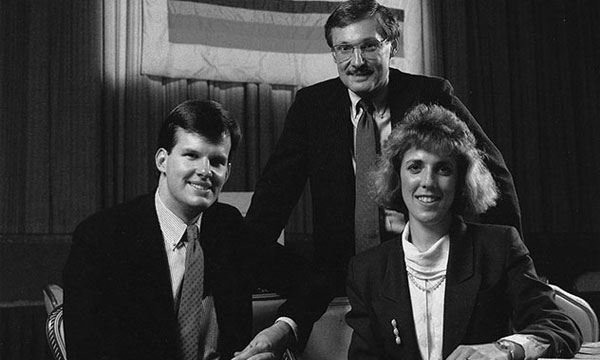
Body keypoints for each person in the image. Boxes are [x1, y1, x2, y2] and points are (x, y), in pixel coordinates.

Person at [239, 0, 522, 356]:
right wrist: (239, 273)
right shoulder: (313, 106)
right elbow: (272, 199)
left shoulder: (431, 94)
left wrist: (510, 269)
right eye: (344, 48)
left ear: (392, 46)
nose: (356, 61)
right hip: (343, 271)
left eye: (369, 46)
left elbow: (492, 173)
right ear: (334, 53)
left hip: (426, 265)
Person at [63, 100, 305, 360]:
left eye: (217, 161)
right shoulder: (101, 238)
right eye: (191, 155)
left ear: (228, 171)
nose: (205, 171)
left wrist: (281, 331)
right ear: (162, 161)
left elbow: (311, 281)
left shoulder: (228, 227)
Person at [345, 104, 582, 360]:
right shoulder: (367, 270)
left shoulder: (498, 247)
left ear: (461, 180)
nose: (428, 182)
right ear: (396, 176)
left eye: (443, 169)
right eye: (415, 167)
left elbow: (561, 327)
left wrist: (504, 349)